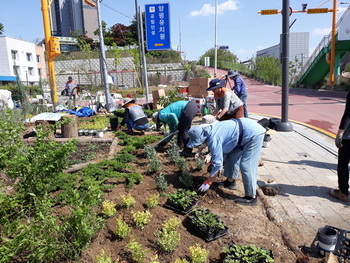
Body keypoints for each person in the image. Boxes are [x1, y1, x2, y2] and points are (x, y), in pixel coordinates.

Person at [187, 118, 266, 205]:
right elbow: (221, 151)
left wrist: (208, 182)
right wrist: (212, 158)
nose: (198, 145)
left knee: (247, 165)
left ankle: (251, 197)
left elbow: (218, 165)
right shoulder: (207, 131)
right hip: (240, 134)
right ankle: (230, 182)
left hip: (253, 134)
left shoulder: (213, 139)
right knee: (231, 157)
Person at [329, 91, 350, 202]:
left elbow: (348, 114)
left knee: (343, 163)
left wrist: (340, 134)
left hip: (348, 137)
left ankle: (343, 193)